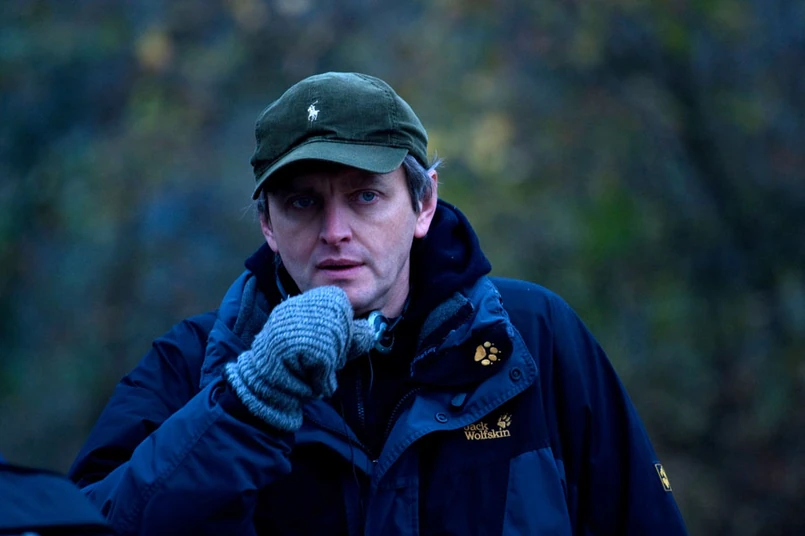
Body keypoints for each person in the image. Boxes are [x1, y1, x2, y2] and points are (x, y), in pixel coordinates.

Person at [68, 72, 688, 535]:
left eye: (365, 196)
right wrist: (246, 406)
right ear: (267, 224)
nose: (335, 231)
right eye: (303, 202)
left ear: (423, 205)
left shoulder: (534, 339)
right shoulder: (192, 364)